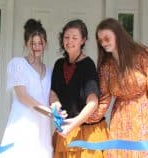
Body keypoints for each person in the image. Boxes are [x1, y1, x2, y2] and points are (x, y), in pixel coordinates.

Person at [87, 18, 148, 157]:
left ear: (118, 35)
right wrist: (83, 118)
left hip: (143, 115)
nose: (103, 43)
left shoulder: (141, 54)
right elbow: (104, 100)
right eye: (100, 40)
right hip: (119, 118)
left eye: (107, 38)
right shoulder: (106, 66)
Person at [50, 19, 108, 158]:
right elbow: (53, 93)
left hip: (87, 134)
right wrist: (56, 108)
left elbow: (93, 102)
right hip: (65, 131)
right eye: (66, 37)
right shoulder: (58, 64)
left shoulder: (88, 65)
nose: (70, 41)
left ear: (83, 40)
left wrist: (73, 124)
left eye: (75, 37)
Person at [0, 19, 53, 158]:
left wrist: (57, 111)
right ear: (26, 44)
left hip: (42, 130)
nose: (36, 47)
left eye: (40, 43)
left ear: (45, 44)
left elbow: (51, 97)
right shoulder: (18, 64)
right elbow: (22, 96)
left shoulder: (50, 71)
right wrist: (47, 111)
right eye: (32, 43)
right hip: (22, 126)